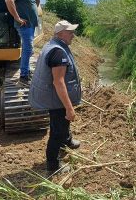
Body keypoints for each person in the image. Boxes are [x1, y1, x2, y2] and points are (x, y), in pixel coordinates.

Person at [28, 20, 81, 174]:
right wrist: (69, 108)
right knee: (57, 131)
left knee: (61, 125)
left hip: (55, 99)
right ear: (60, 34)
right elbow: (59, 82)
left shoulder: (53, 45)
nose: (73, 35)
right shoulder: (58, 52)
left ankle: (67, 140)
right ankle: (53, 166)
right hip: (57, 100)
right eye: (70, 32)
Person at [5, 0, 40, 84]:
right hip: (24, 25)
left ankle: (26, 70)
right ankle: (24, 76)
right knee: (28, 49)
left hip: (31, 25)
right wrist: (17, 18)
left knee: (29, 50)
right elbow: (9, 0)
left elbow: (37, 4)